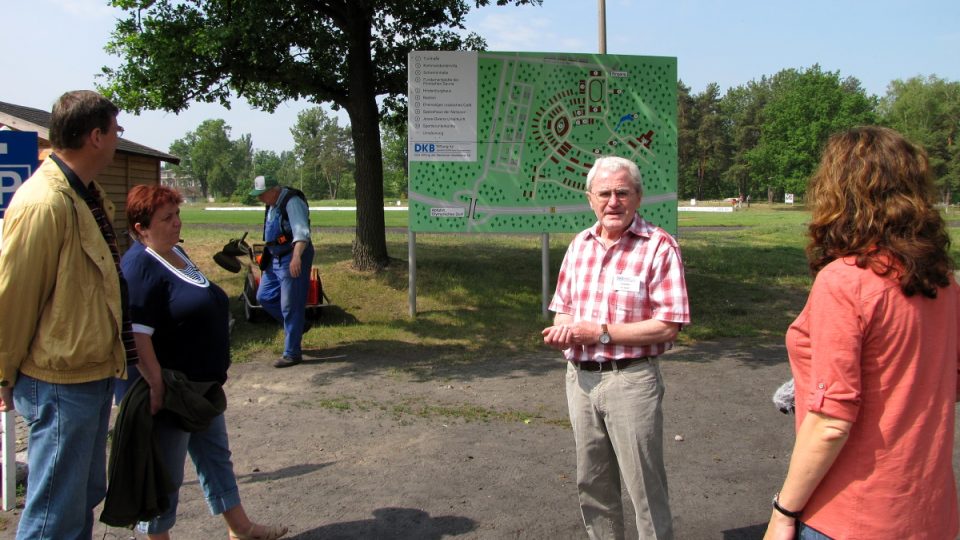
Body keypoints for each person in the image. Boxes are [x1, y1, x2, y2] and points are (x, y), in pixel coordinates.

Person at [763, 127, 960, 540]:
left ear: (839, 191)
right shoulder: (943, 282)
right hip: (929, 512)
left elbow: (831, 422)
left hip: (850, 513)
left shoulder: (846, 281)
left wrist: (784, 511)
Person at [0, 90, 135, 539]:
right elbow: (14, 296)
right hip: (58, 382)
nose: (119, 138)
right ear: (95, 136)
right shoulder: (45, 202)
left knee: (79, 499)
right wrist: (2, 375)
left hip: (88, 373)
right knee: (53, 514)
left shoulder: (86, 195)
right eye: (115, 130)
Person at [119, 184, 288, 540]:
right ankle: (157, 536)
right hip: (172, 391)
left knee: (215, 458)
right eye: (167, 218)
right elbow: (137, 335)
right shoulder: (139, 267)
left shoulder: (175, 253)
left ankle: (241, 529)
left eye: (177, 214)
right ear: (141, 228)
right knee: (166, 472)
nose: (177, 222)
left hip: (201, 387)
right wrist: (156, 386)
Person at [542, 156, 690, 539]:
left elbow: (668, 325)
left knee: (645, 490)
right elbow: (563, 311)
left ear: (638, 197)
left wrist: (601, 333)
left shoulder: (659, 247)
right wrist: (563, 331)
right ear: (590, 198)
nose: (613, 201)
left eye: (622, 192)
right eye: (604, 193)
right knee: (592, 484)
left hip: (632, 381)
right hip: (580, 381)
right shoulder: (580, 246)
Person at [250, 175, 314, 368]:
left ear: (274, 190)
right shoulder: (271, 204)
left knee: (290, 304)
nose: (260, 199)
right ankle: (299, 326)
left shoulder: (292, 202)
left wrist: (296, 258)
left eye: (262, 195)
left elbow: (301, 232)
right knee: (265, 296)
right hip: (275, 257)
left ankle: (292, 353)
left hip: (292, 256)